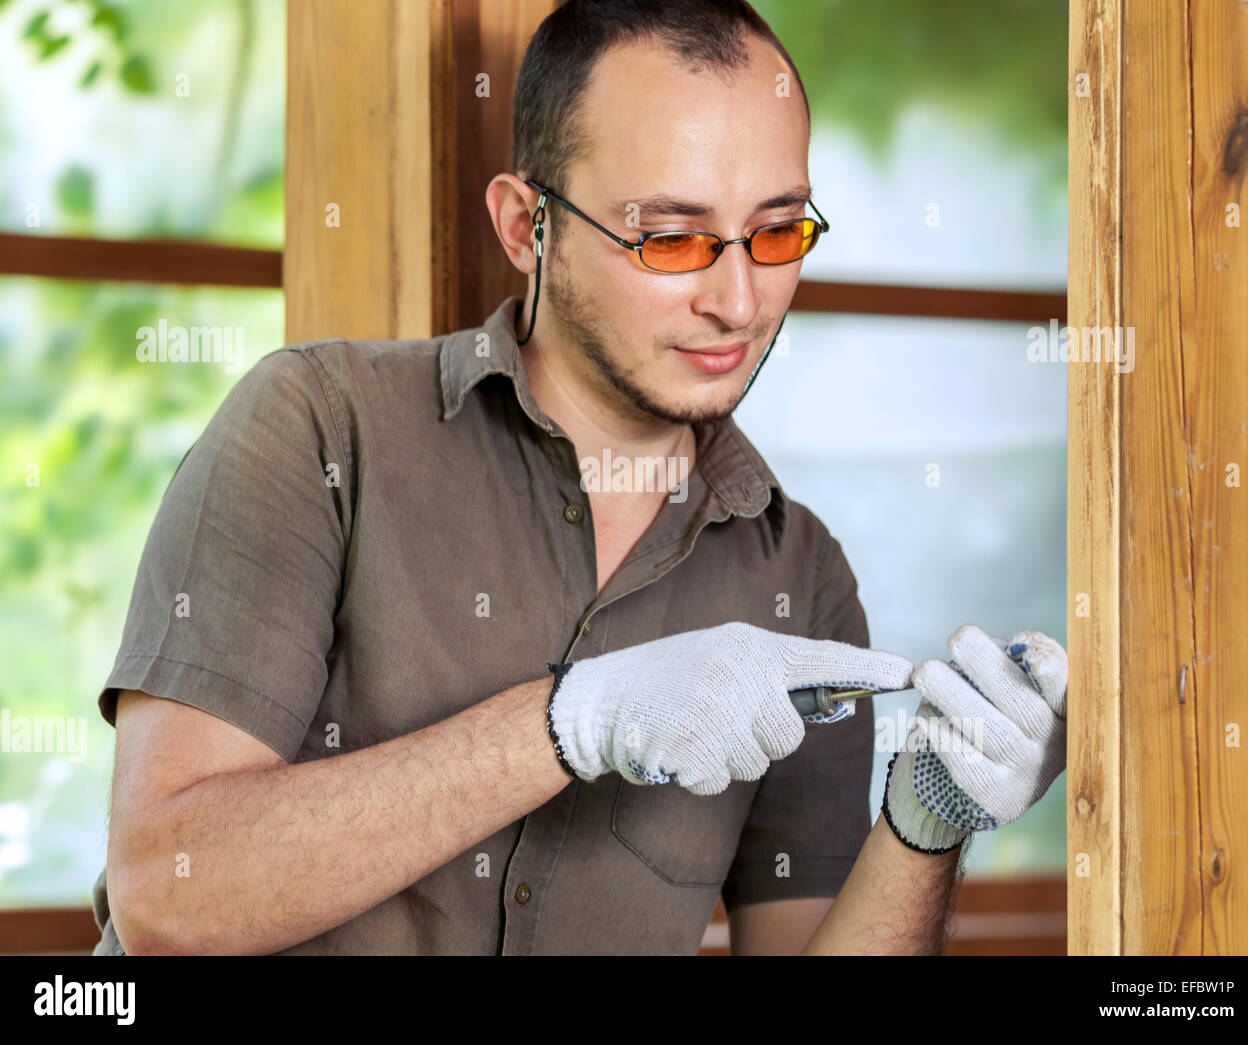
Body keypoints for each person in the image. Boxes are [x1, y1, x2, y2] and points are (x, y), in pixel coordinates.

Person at [91, 0, 1067, 956]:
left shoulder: (798, 579)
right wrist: (571, 720)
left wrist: (927, 819)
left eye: (776, 234)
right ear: (527, 227)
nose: (736, 301)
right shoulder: (315, 430)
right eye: (671, 239)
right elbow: (170, 896)